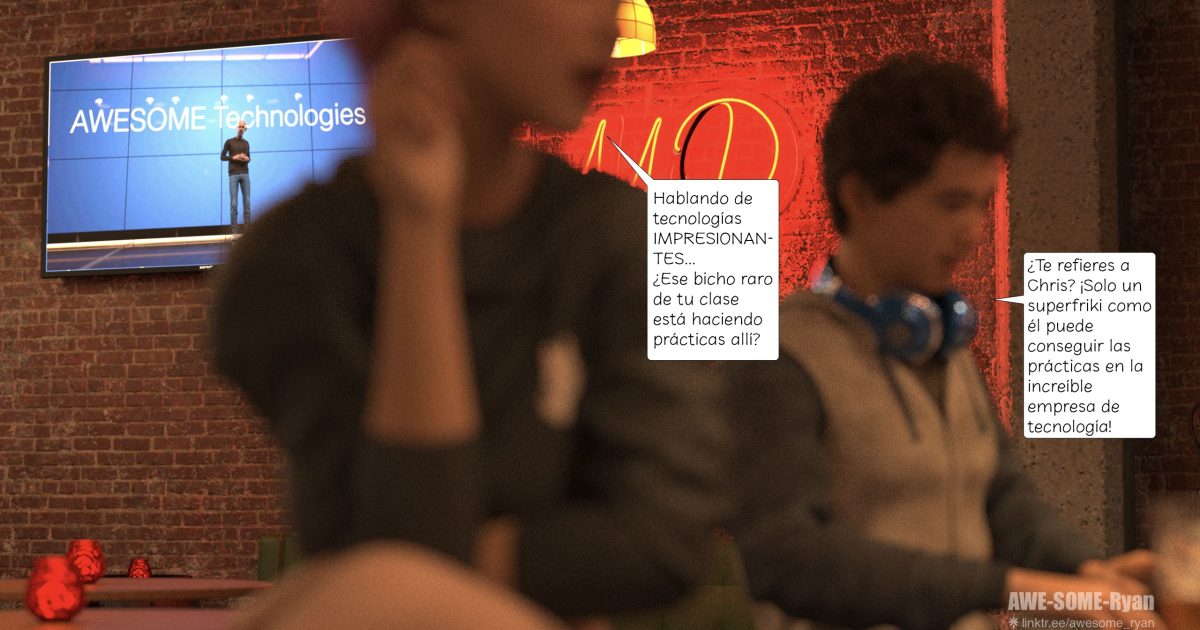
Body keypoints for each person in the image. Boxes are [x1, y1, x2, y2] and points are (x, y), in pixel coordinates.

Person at [211, 0, 728, 621]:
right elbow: (402, 586)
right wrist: (420, 223)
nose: (611, 21)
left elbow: (662, 546)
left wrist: (413, 566)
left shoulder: (620, 237)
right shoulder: (293, 264)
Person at [727, 55, 1161, 630]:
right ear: (860, 197)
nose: (974, 231)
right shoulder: (782, 354)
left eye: (982, 203)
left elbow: (1003, 500)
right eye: (951, 202)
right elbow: (788, 556)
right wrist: (1011, 587)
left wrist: (1089, 571)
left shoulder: (941, 337)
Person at [220, 119, 251, 234]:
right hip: (233, 174)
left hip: (245, 173)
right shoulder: (229, 142)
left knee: (247, 203)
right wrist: (233, 157)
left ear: (245, 129)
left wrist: (247, 158)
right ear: (236, 127)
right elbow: (222, 157)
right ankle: (234, 232)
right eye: (239, 126)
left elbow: (249, 158)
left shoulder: (246, 143)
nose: (241, 128)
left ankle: (248, 233)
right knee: (234, 204)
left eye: (243, 127)